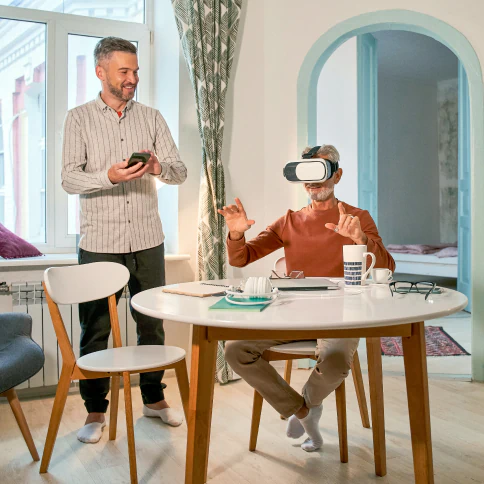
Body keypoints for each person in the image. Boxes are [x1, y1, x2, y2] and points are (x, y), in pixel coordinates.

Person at [218, 144, 394, 452]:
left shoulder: (357, 218)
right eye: (306, 175)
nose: (313, 183)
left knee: (337, 360)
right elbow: (241, 258)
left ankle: (307, 405)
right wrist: (235, 234)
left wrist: (361, 240)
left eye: (321, 173)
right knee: (235, 350)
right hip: (292, 314)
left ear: (337, 175)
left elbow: (388, 267)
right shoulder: (288, 221)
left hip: (343, 316)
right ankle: (302, 412)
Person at [62, 37, 187, 444]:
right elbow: (68, 179)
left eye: (135, 71)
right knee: (95, 329)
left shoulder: (151, 117)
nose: (133, 78)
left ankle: (153, 399)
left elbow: (179, 172)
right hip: (100, 240)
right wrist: (108, 177)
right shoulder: (78, 118)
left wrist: (157, 166)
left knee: (151, 324)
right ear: (101, 72)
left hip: (148, 238)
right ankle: (95, 411)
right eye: (124, 71)